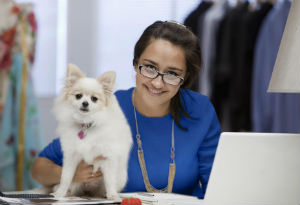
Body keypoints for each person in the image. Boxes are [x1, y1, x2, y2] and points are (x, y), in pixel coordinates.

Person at [31, 20, 221, 199]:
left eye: (172, 74)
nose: (157, 82)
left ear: (185, 77)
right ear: (135, 64)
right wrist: (73, 175)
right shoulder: (105, 107)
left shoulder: (200, 109)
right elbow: (40, 168)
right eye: (149, 67)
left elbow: (217, 184)